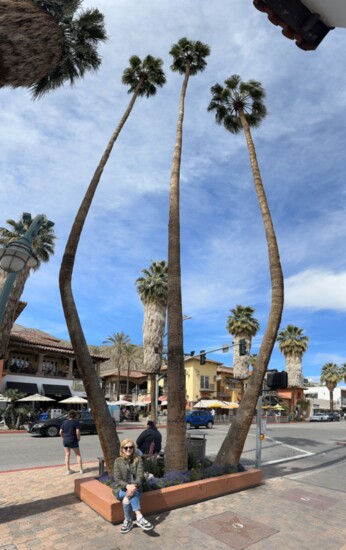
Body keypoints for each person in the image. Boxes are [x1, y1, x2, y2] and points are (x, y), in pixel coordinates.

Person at [113, 439, 153, 534]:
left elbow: (140, 476)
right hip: (121, 489)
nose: (128, 449)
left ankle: (128, 521)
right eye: (126, 447)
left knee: (126, 499)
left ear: (133, 448)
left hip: (136, 487)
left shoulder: (138, 460)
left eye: (131, 447)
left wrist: (133, 487)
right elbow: (117, 479)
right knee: (131, 494)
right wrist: (127, 486)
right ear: (122, 449)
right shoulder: (118, 461)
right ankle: (139, 517)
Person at [59, 410, 84, 475]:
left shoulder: (64, 422)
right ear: (75, 415)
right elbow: (77, 432)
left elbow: (60, 432)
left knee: (67, 454)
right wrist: (78, 438)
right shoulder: (76, 422)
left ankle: (68, 470)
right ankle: (81, 469)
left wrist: (63, 437)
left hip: (66, 440)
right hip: (73, 440)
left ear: (68, 415)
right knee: (78, 455)